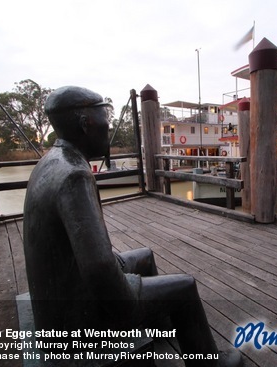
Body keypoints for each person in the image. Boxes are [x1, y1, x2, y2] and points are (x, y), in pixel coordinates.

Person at [23, 86, 242, 367]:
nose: (108, 125)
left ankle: (159, 323)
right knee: (185, 287)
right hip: (72, 322)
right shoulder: (74, 175)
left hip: (58, 302)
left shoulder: (51, 161)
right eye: (104, 117)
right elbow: (100, 269)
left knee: (145, 255)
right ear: (85, 123)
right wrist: (127, 304)